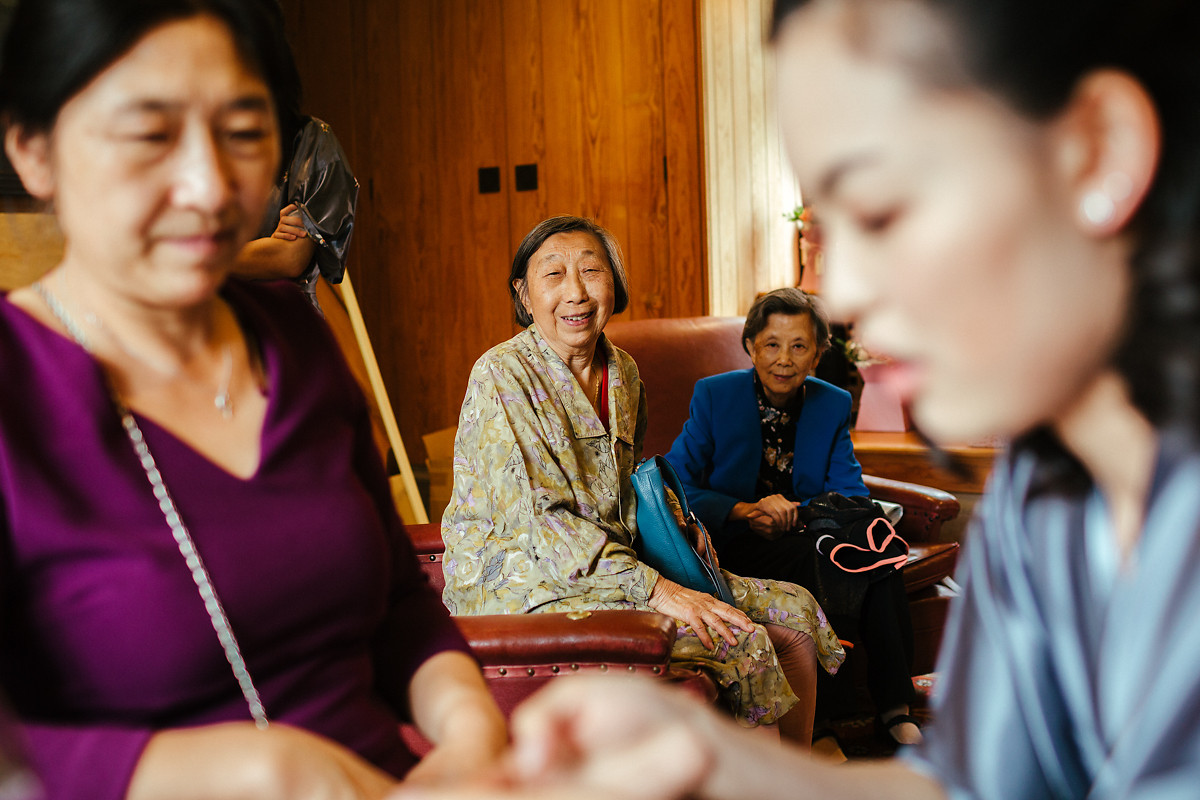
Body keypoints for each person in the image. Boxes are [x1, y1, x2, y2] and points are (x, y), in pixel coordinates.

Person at [391, 0, 1200, 797]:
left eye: (881, 205)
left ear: (1097, 154)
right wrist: (722, 762)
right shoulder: (1040, 502)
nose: (839, 291)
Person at [0, 2, 505, 798]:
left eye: (243, 132)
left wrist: (473, 727)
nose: (208, 189)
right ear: (33, 152)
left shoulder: (294, 342)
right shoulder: (18, 388)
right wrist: (248, 769)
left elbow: (400, 603)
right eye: (148, 135)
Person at [440, 215, 846, 747]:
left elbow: (623, 489)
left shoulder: (624, 372)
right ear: (523, 292)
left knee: (795, 606)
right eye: (554, 275)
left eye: (592, 270)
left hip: (613, 566)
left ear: (615, 281)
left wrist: (676, 530)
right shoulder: (501, 376)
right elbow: (544, 527)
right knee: (738, 639)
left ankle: (799, 780)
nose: (576, 292)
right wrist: (663, 591)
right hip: (524, 581)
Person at [665, 286, 921, 747]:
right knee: (824, 563)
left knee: (879, 563)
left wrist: (795, 512)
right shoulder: (714, 397)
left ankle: (894, 709)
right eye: (772, 345)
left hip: (805, 535)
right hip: (733, 540)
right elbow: (675, 487)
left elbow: (849, 492)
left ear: (818, 354)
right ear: (750, 347)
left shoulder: (832, 403)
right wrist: (745, 510)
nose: (784, 359)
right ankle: (829, 720)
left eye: (799, 346)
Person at [230, 9, 358, 311]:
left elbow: (289, 258)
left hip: (289, 322)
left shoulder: (314, 141)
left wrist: (202, 259)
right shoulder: (199, 147)